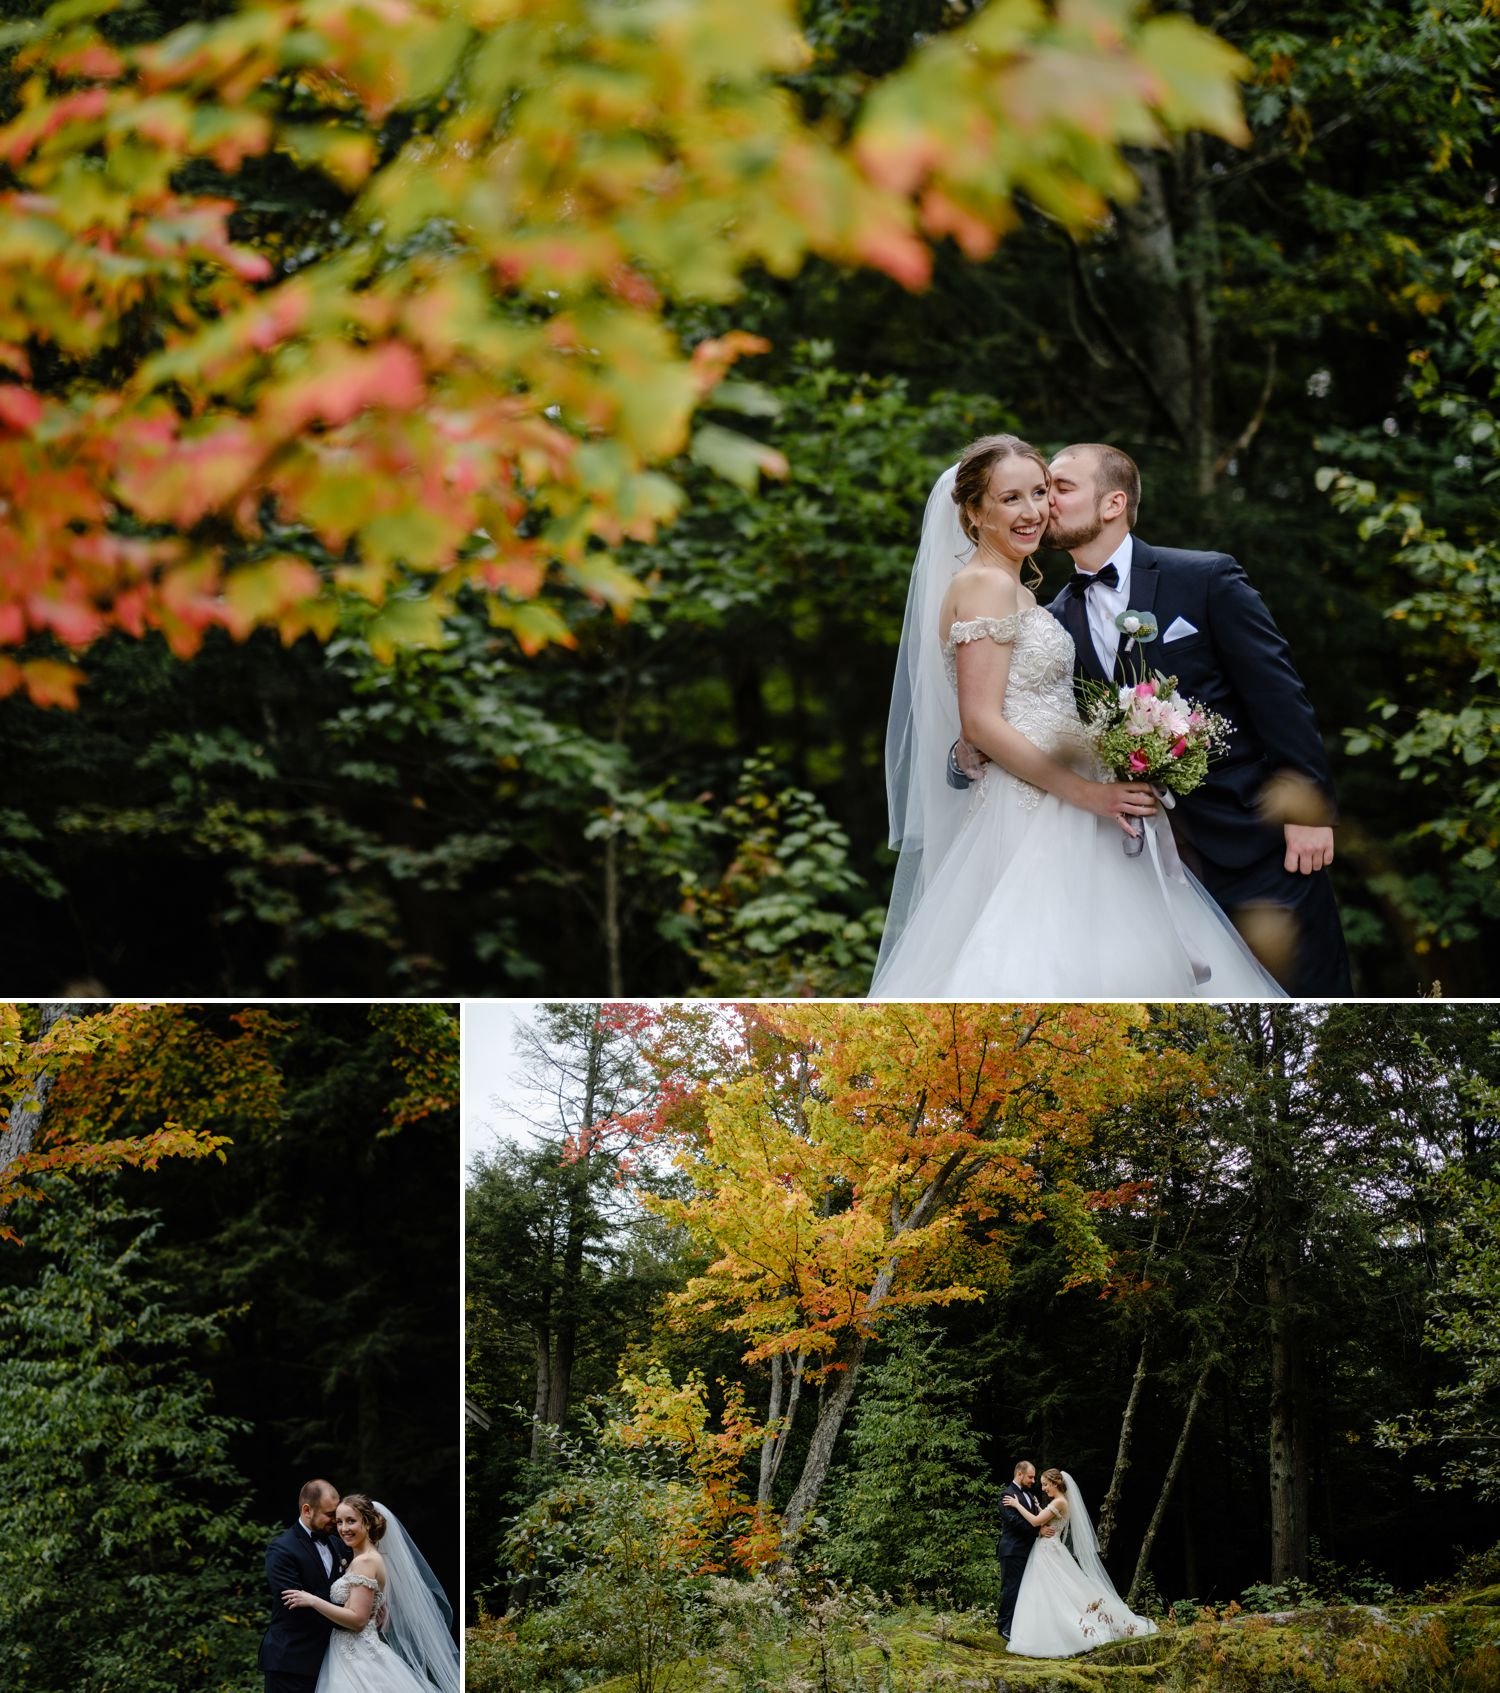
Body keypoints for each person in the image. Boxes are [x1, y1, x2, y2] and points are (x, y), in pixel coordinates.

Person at [871, 434, 1287, 997]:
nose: (1032, 512)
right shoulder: (985, 585)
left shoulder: (1020, 590)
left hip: (1070, 799)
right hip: (1037, 809)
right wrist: (1090, 794)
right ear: (973, 511)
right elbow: (982, 723)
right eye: (1009, 498)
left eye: (1039, 493)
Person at [1041, 443, 1350, 996]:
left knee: (1302, 991)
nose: (1046, 502)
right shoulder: (1050, 622)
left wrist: (1311, 810)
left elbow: (1277, 693)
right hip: (1138, 863)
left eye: (1061, 487)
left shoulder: (1205, 578)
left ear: (1113, 503)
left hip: (1256, 838)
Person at [280, 1494, 459, 1693]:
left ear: (367, 1523)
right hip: (346, 1653)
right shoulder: (364, 1558)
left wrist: (313, 1601)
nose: (343, 1528)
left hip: (358, 1657)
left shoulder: (366, 1562)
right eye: (339, 1522)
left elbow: (357, 1620)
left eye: (351, 1521)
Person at [1001, 1469, 1157, 1658]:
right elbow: (1046, 1521)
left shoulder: (1059, 1502)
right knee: (1053, 1591)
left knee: (1052, 1591)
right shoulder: (1059, 1502)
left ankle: (1063, 1633)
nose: (1043, 1488)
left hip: (1048, 1550)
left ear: (1055, 1484)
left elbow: (1035, 1522)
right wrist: (1039, 1508)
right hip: (1049, 1549)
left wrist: (1017, 1505)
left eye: (1045, 1484)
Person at [260, 1480, 347, 1693]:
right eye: (329, 1514)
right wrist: (350, 1617)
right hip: (291, 1661)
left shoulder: (339, 1545)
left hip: (332, 1660)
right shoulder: (282, 1549)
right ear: (307, 1510)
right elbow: (295, 1604)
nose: (336, 1521)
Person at [996, 1460, 1052, 1643]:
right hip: (1012, 1549)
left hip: (1029, 1550)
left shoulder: (1029, 1494)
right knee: (1010, 1588)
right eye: (1030, 1477)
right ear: (1019, 1474)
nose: (1033, 1480)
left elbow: (1037, 1517)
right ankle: (1003, 1627)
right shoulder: (1006, 1494)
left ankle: (1018, 1626)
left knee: (1024, 1589)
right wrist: (1038, 1531)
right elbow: (1014, 1521)